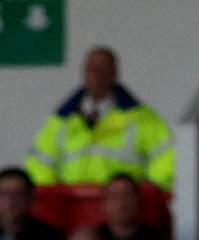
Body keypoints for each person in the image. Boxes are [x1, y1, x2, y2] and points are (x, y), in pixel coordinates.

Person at [24, 45, 175, 191]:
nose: (96, 75)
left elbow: (168, 158)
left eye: (103, 69)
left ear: (114, 74)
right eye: (91, 69)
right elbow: (39, 163)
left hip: (124, 209)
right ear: (84, 72)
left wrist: (148, 192)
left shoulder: (143, 119)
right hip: (72, 209)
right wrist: (51, 197)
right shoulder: (61, 120)